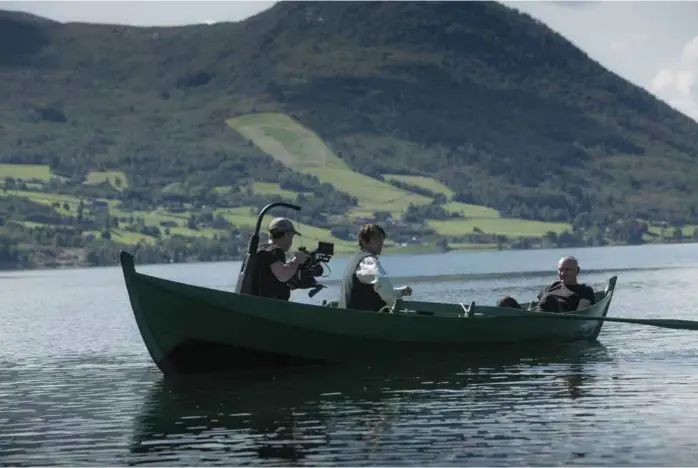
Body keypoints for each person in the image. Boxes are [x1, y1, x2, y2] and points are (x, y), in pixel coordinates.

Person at [339, 223, 413, 312]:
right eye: (375, 239)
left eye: (381, 238)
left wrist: (400, 292)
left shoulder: (354, 260)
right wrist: (396, 305)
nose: (381, 242)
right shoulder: (368, 260)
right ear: (363, 241)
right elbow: (382, 283)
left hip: (350, 317)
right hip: (367, 320)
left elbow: (375, 290)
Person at [497, 256, 596, 312]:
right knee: (504, 301)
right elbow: (538, 305)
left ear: (577, 271)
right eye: (560, 270)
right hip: (536, 317)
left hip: (560, 319)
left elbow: (581, 312)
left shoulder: (584, 290)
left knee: (548, 298)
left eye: (567, 270)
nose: (563, 273)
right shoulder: (552, 286)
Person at [254, 217, 310, 301]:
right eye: (291, 237)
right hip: (268, 306)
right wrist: (297, 260)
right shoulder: (274, 250)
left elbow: (272, 279)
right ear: (287, 234)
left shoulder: (262, 250)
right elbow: (283, 275)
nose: (291, 242)